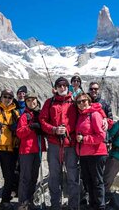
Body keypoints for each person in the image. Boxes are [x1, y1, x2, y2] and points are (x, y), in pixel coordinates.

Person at [39, 77, 80, 210]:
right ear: (55, 88)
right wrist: (54, 129)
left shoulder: (75, 102)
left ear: (68, 87)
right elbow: (42, 120)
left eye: (64, 85)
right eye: (59, 85)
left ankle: (73, 206)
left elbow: (89, 109)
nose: (62, 88)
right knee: (54, 177)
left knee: (73, 177)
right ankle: (55, 205)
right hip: (54, 145)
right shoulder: (49, 102)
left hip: (71, 145)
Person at [75, 92, 107, 210]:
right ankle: (93, 205)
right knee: (89, 181)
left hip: (96, 153)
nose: (82, 103)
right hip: (84, 154)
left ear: (89, 101)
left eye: (84, 101)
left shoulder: (94, 115)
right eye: (79, 102)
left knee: (97, 182)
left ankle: (100, 206)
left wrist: (84, 139)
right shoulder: (81, 115)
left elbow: (101, 136)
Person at [16, 92, 46, 210]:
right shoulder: (25, 116)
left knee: (33, 177)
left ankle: (30, 201)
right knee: (25, 177)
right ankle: (23, 203)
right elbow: (19, 133)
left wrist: (42, 130)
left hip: (37, 149)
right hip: (27, 150)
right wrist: (30, 127)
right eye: (28, 100)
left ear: (36, 101)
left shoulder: (40, 114)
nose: (31, 102)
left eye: (33, 100)